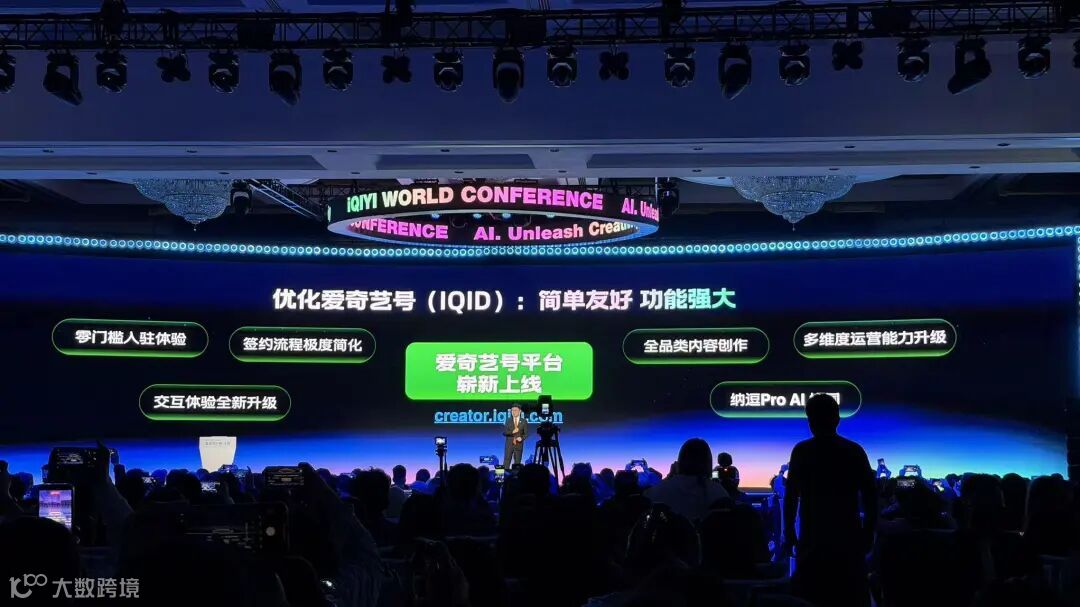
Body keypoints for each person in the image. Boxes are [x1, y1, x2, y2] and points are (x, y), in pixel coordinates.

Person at [784, 393, 877, 607]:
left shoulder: (802, 451)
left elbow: (792, 495)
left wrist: (788, 530)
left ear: (810, 421)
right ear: (837, 419)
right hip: (848, 538)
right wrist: (868, 532)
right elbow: (871, 496)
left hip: (812, 538)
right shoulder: (854, 451)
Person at [645, 438, 728, 521]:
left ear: (680, 461)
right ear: (708, 463)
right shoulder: (719, 492)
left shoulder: (656, 492)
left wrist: (669, 476)